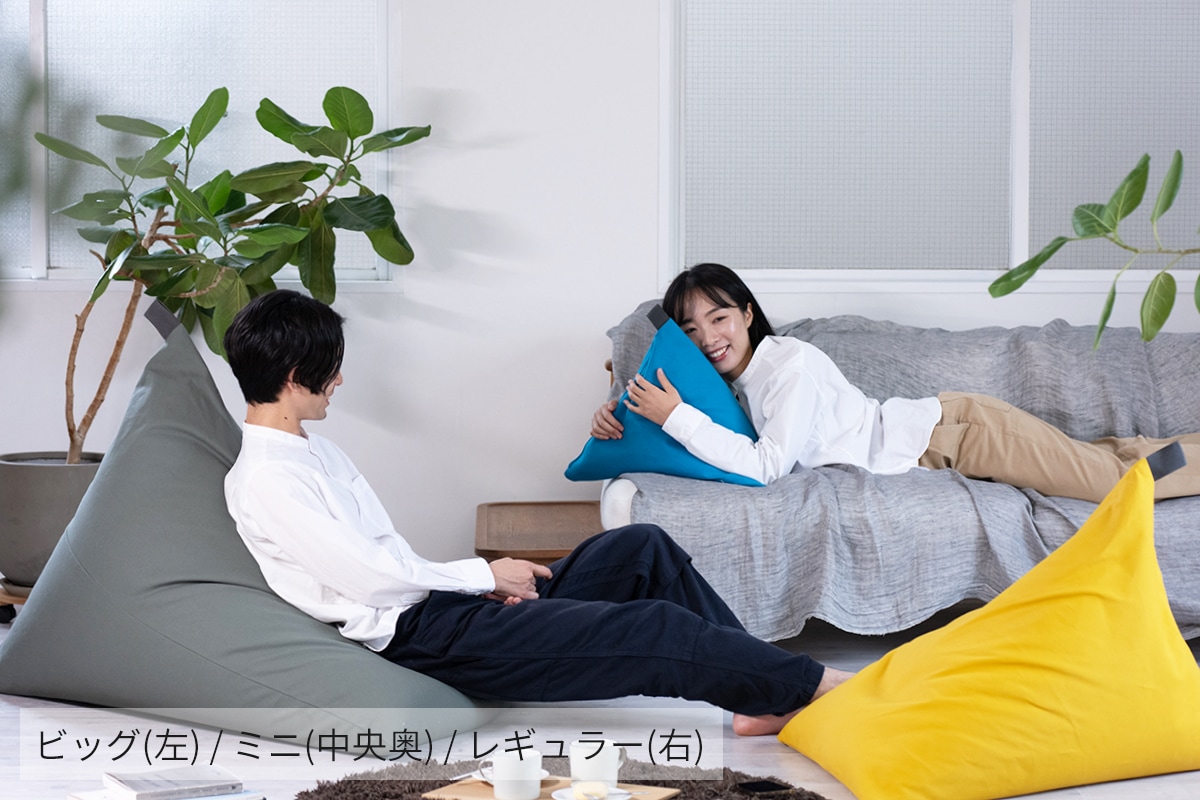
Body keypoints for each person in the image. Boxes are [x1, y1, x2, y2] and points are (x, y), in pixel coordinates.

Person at [221, 289, 852, 738]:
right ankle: (818, 688)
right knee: (653, 626)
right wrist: (483, 574)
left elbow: (390, 559)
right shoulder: (269, 480)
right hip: (427, 638)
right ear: (297, 375)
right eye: (330, 370)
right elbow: (369, 579)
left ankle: (761, 696)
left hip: (445, 607)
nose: (338, 381)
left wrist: (475, 586)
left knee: (643, 547)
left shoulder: (314, 451)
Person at [592, 262, 1200, 503]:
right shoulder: (734, 386)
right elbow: (700, 430)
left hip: (958, 435)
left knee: (1114, 485)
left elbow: (765, 466)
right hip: (947, 433)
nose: (708, 338)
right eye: (691, 329)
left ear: (747, 314)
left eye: (719, 318)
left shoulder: (790, 366)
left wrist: (675, 416)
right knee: (1103, 456)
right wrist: (615, 414)